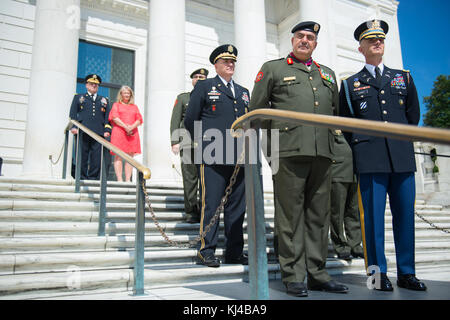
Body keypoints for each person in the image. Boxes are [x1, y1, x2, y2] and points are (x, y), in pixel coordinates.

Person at [249, 21, 348, 296]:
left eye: (310, 38)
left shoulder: (327, 74)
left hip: (323, 153)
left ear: (315, 43)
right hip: (289, 153)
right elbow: (256, 112)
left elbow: (334, 115)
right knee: (290, 216)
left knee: (319, 216)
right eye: (301, 36)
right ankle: (293, 274)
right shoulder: (274, 68)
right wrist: (273, 151)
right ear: (292, 40)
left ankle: (317, 272)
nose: (305, 41)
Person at [339, 19, 426, 291]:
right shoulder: (351, 84)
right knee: (373, 222)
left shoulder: (404, 77)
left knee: (405, 219)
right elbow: (346, 124)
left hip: (401, 158)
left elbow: (413, 116)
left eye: (381, 39)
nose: (378, 42)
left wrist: (398, 142)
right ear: (361, 48)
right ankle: (377, 276)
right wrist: (364, 146)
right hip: (370, 161)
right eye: (371, 39)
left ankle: (407, 273)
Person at [184, 44, 250, 268]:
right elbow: (190, 119)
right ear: (216, 65)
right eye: (225, 61)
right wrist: (205, 145)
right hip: (212, 155)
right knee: (211, 205)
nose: (230, 64)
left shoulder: (243, 92)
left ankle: (234, 252)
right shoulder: (205, 86)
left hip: (239, 157)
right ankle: (206, 251)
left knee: (237, 208)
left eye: (232, 61)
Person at [170, 68, 208, 223]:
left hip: (207, 144)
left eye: (202, 77)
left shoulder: (210, 98)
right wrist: (174, 141)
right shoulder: (183, 97)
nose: (199, 79)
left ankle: (206, 210)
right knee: (190, 178)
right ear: (192, 80)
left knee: (206, 179)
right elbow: (175, 119)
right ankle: (191, 211)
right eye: (196, 77)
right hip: (187, 143)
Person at [329, 129, 364, 260]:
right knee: (336, 212)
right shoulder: (330, 118)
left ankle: (355, 244)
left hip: (355, 169)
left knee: (353, 211)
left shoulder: (351, 119)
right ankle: (340, 245)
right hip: (337, 169)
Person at [69, 74, 112, 180]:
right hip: (83, 131)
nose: (94, 86)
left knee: (96, 157)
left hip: (98, 132)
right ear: (87, 85)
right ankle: (81, 177)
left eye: (96, 84)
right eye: (92, 84)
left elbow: (107, 117)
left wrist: (107, 130)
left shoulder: (104, 100)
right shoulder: (79, 97)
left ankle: (94, 178)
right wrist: (74, 127)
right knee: (82, 155)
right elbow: (73, 114)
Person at [109, 86, 143, 182]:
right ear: (121, 94)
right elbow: (114, 117)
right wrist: (125, 127)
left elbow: (139, 119)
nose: (127, 95)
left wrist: (131, 127)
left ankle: (128, 179)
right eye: (125, 93)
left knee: (129, 157)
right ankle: (120, 179)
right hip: (119, 132)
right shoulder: (116, 105)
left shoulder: (134, 107)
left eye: (128, 93)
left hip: (132, 133)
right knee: (118, 155)